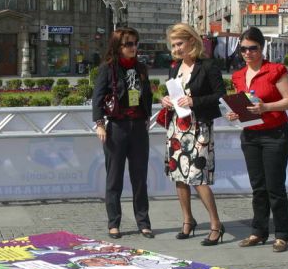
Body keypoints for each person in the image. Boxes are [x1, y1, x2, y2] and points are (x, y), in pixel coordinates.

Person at [226, 26, 288, 253]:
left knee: (275, 186)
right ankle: (258, 231)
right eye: (243, 49)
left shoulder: (275, 70)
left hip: (275, 134)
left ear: (261, 47)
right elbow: (244, 105)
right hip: (250, 135)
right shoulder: (238, 75)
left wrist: (266, 107)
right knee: (258, 187)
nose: (247, 53)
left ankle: (282, 234)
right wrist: (235, 114)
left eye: (252, 48)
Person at [160, 23, 226, 246]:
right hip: (177, 128)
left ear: (191, 41)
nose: (176, 49)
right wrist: (165, 100)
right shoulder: (175, 68)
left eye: (179, 43)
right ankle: (188, 220)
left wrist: (194, 101)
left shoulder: (208, 65)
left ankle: (216, 224)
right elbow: (172, 93)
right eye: (173, 45)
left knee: (197, 177)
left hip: (199, 128)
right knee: (179, 176)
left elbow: (220, 95)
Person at [91, 27, 154, 240]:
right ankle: (114, 223)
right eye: (128, 44)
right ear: (118, 46)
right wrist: (99, 124)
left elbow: (147, 94)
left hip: (138, 128)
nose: (133, 48)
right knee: (114, 178)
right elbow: (97, 97)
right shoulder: (108, 68)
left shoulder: (140, 68)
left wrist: (147, 116)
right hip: (117, 127)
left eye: (135, 43)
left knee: (140, 177)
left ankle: (143, 223)